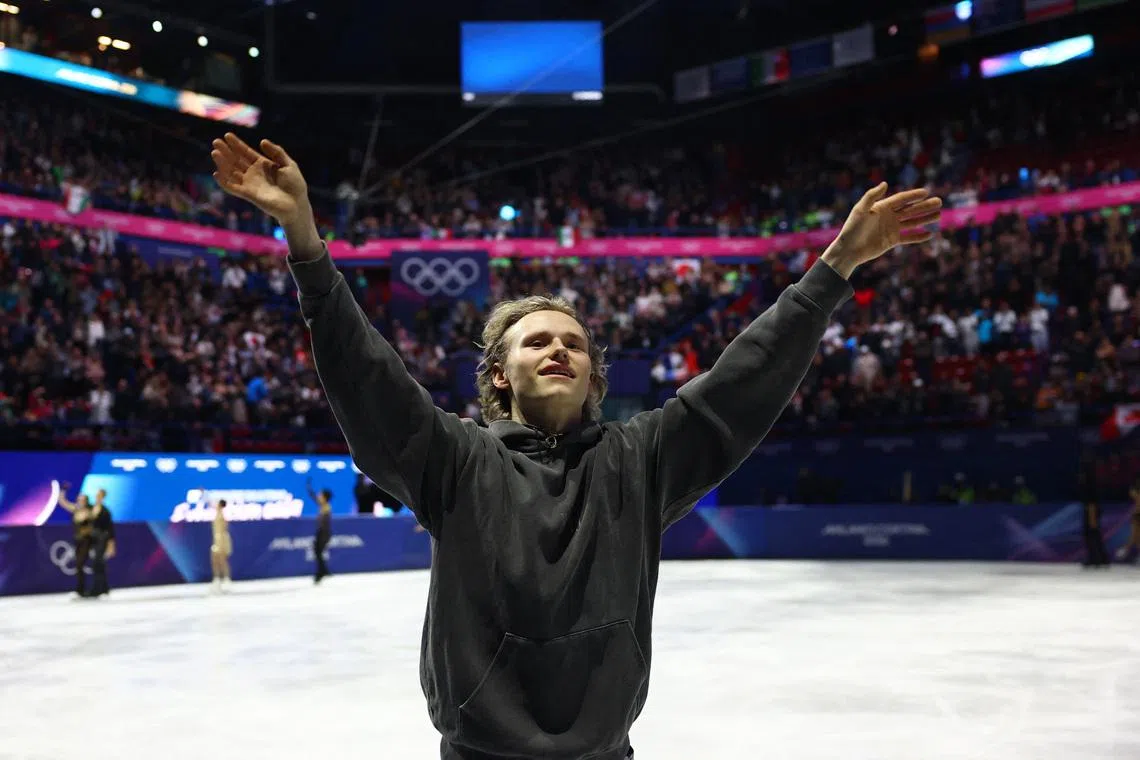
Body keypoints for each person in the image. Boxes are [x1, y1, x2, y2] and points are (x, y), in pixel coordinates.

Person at [212, 132, 942, 760]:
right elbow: (366, 376)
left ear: (594, 372)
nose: (559, 351)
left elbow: (740, 384)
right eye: (537, 342)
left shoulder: (640, 460)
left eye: (575, 343)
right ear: (499, 373)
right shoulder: (455, 461)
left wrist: (835, 266)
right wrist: (306, 243)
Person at [58, 483, 94, 598]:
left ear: (86, 501)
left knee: (80, 564)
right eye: (78, 499)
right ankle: (81, 590)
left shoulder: (90, 512)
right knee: (79, 566)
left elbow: (94, 526)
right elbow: (62, 502)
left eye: (81, 499)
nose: (79, 501)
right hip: (78, 540)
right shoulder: (76, 509)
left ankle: (83, 589)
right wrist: (63, 490)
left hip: (87, 541)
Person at [1079, 453, 1110, 568]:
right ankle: (1101, 558)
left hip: (1091, 509)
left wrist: (1092, 516)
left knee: (1091, 533)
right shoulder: (1092, 480)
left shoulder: (1089, 482)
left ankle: (1095, 558)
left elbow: (1091, 500)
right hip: (1092, 508)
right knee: (1095, 533)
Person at [87, 489, 117, 596]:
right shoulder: (91, 508)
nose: (97, 496)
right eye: (97, 494)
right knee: (99, 564)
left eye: (99, 495)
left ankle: (97, 589)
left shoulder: (105, 511)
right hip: (92, 539)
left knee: (97, 563)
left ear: (103, 496)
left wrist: (111, 545)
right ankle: (104, 588)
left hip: (102, 539)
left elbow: (110, 529)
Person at [307, 478, 333, 583]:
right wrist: (309, 487)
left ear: (325, 497)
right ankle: (323, 571)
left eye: (321, 494)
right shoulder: (323, 505)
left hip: (323, 533)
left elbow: (325, 523)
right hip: (322, 532)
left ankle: (322, 572)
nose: (319, 496)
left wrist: (322, 535)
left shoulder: (326, 507)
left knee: (318, 552)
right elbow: (314, 497)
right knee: (318, 552)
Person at [208, 491, 233, 591]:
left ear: (220, 505)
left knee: (223, 561)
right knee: (214, 561)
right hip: (216, 540)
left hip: (222, 541)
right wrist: (203, 493)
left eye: (218, 503)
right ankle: (217, 579)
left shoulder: (222, 515)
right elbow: (210, 502)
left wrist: (222, 543)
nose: (215, 504)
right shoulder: (217, 513)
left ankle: (226, 579)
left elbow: (224, 530)